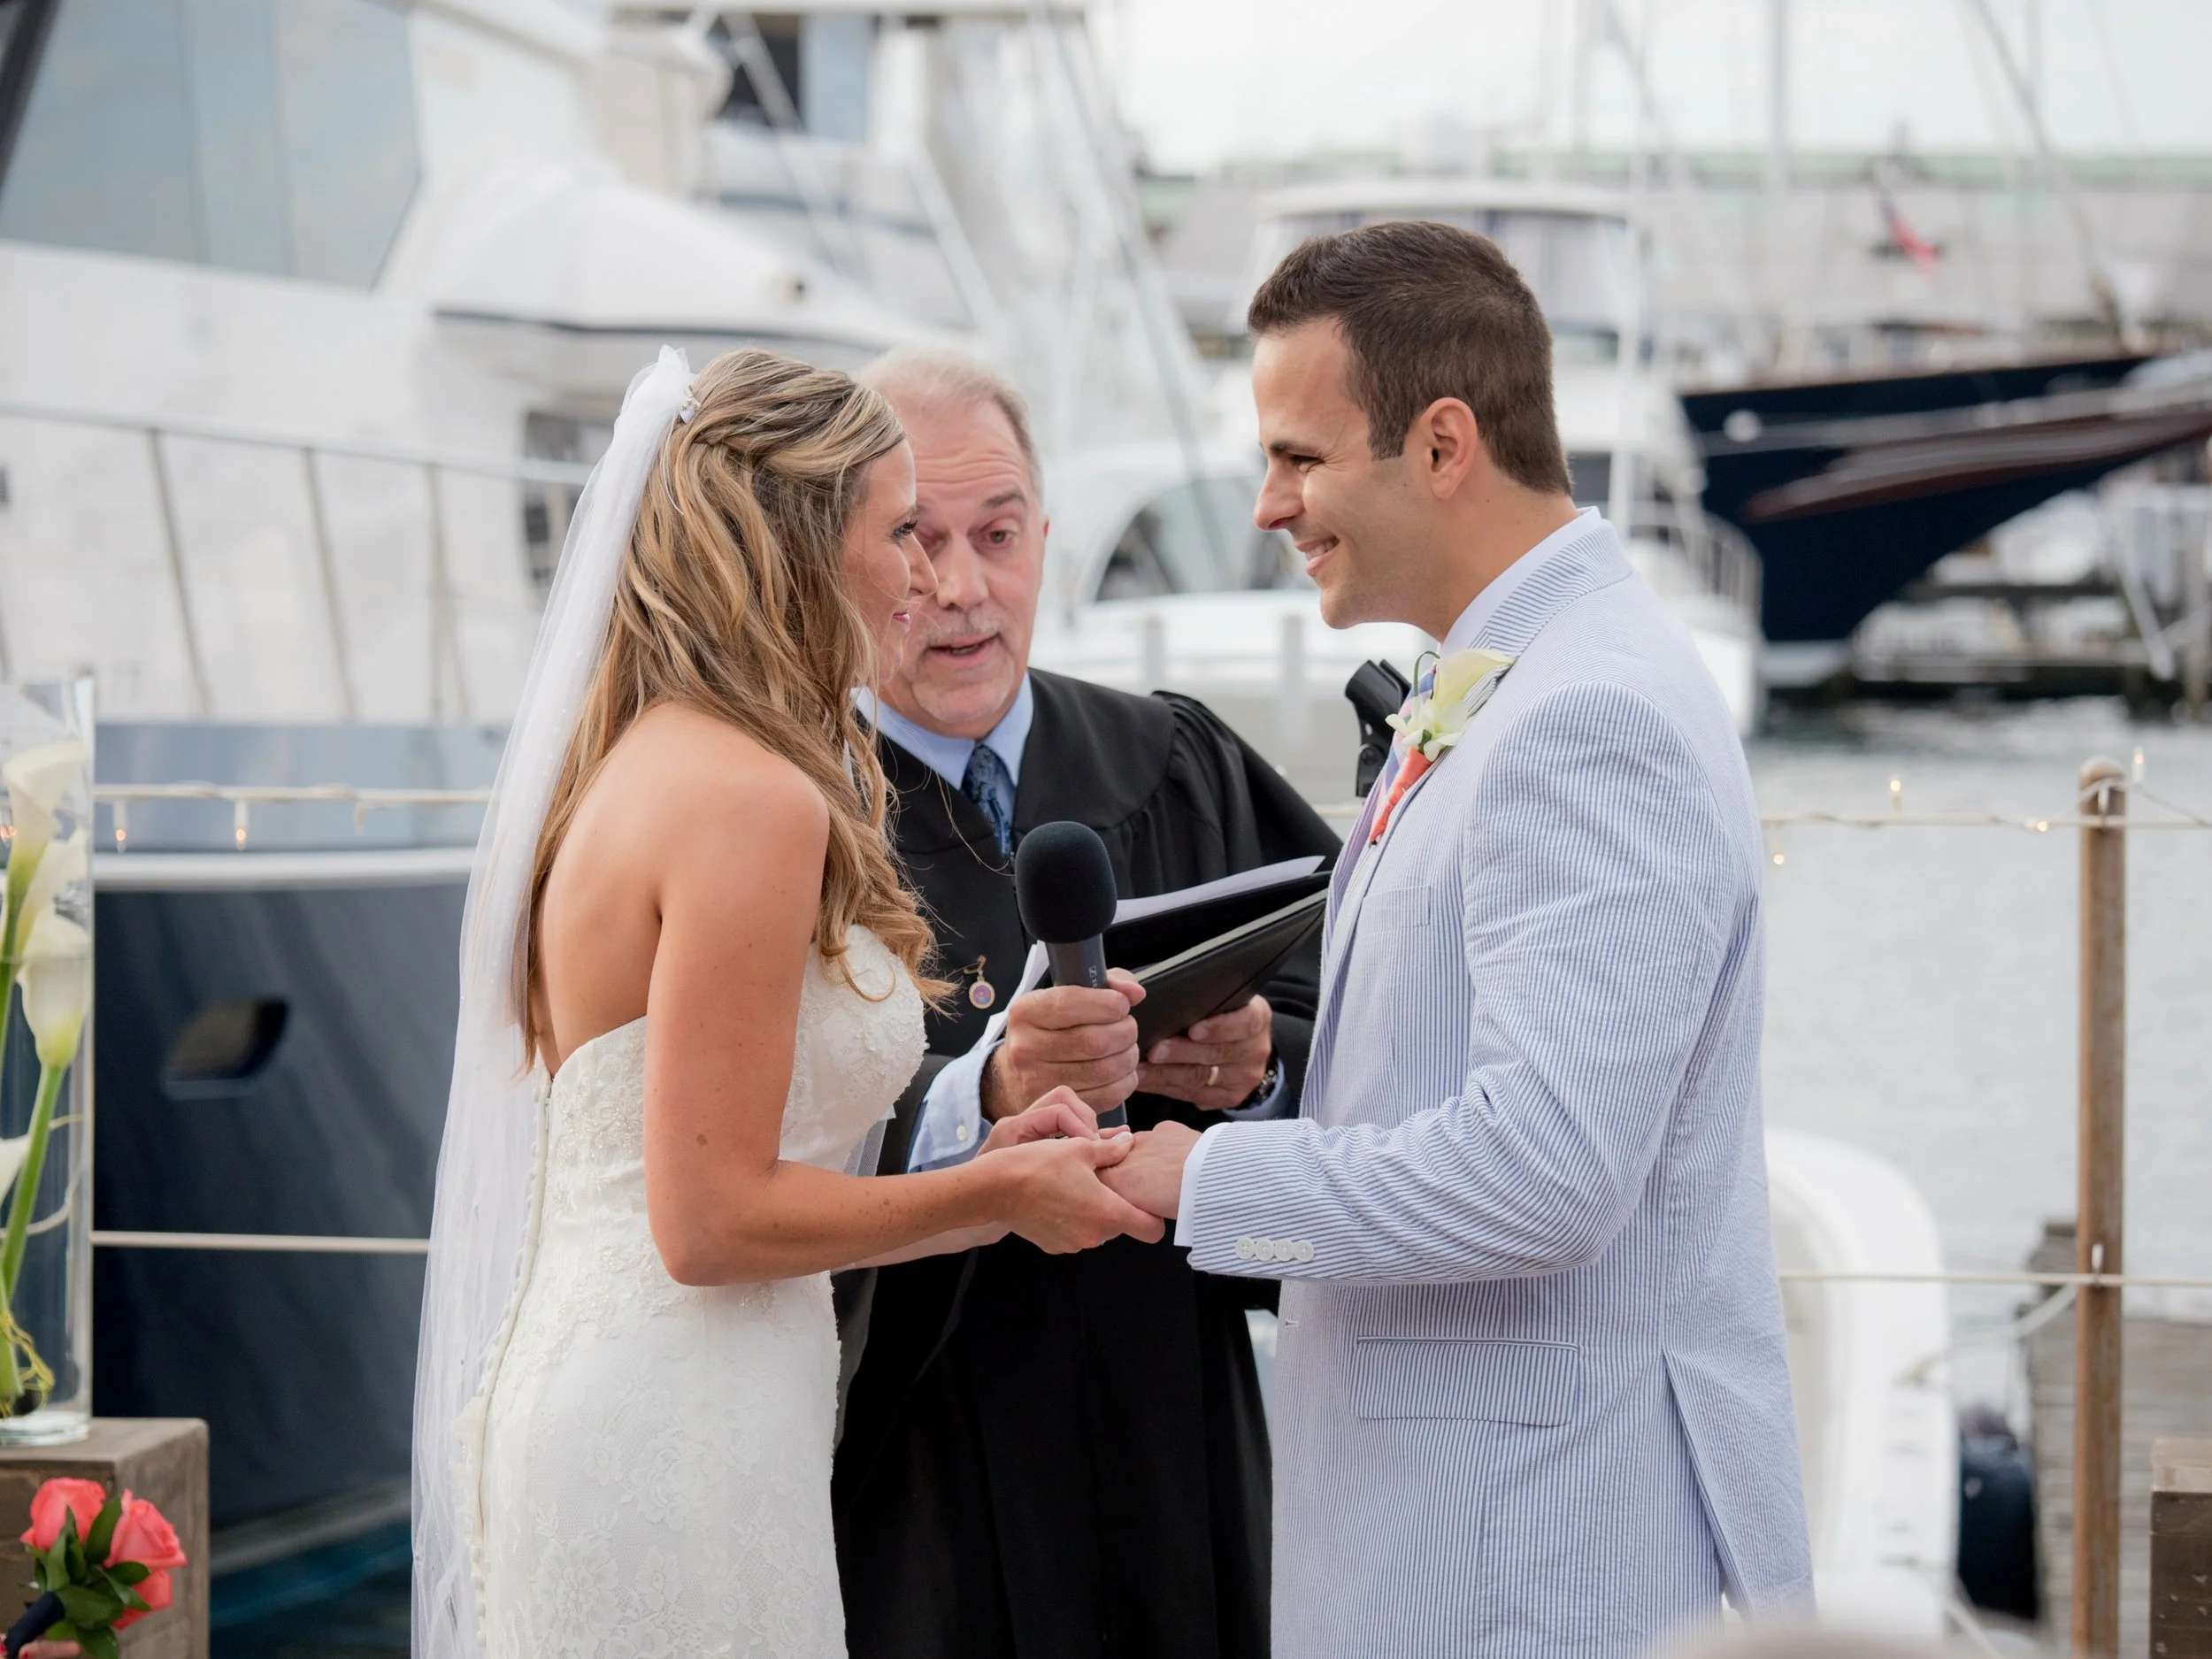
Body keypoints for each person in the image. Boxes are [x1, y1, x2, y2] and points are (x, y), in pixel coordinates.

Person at [1102, 223, 1814, 1655]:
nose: (1267, 505)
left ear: (1442, 444)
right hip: (1462, 1533)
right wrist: (1265, 1079)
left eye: (1300, 457)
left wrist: (1208, 1176)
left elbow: (1547, 1170)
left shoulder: (1586, 716)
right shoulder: (1505, 684)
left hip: (1544, 1552)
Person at [411, 348, 1165, 1659]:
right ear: (802, 544)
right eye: (900, 533)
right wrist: (997, 1194)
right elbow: (710, 1220)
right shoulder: (750, 799)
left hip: (636, 1396)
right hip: (676, 1425)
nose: (929, 580)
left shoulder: (638, 758)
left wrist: (981, 1156)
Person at [830, 348, 1340, 1659]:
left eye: (997, 535)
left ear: (1046, 535)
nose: (961, 588)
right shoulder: (793, 815)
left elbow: (1349, 1009)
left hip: (1170, 1394)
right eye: (913, 539)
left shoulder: (1171, 760)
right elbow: (743, 1136)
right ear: (836, 555)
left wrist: (1254, 1065)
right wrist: (987, 1091)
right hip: (925, 1435)